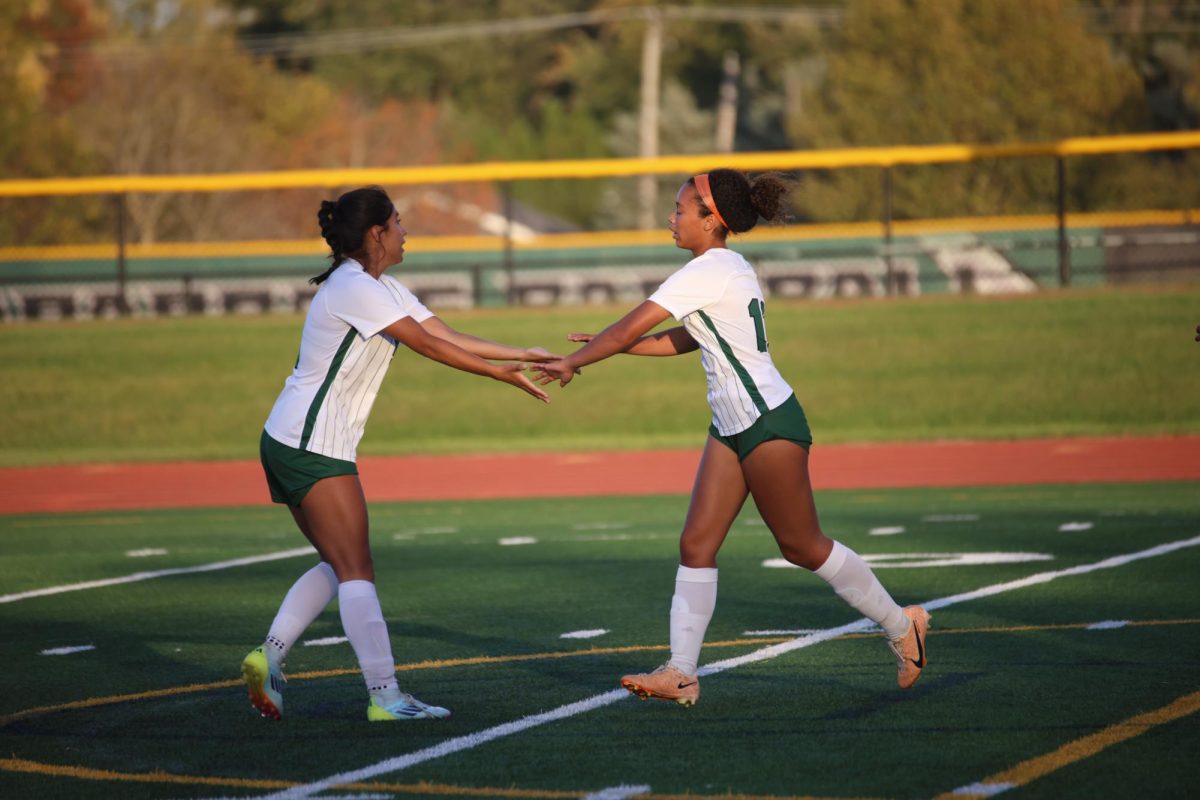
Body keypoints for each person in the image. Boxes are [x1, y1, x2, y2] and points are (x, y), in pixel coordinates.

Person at [536, 169, 929, 707]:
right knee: (696, 543)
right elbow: (684, 338)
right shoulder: (720, 269)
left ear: (711, 219)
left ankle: (901, 625)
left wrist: (578, 360)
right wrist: (613, 346)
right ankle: (681, 672)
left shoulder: (711, 268)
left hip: (768, 422)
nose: (671, 218)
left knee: (802, 545)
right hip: (732, 424)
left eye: (680, 209)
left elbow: (630, 325)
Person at [243, 186, 555, 722]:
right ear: (376, 234)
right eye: (399, 222)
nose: (406, 231)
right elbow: (429, 346)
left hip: (291, 440)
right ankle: (385, 696)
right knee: (357, 568)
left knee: (339, 564)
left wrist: (521, 353)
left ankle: (268, 657)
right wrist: (499, 375)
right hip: (312, 446)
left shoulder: (378, 287)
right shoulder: (355, 289)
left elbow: (444, 332)